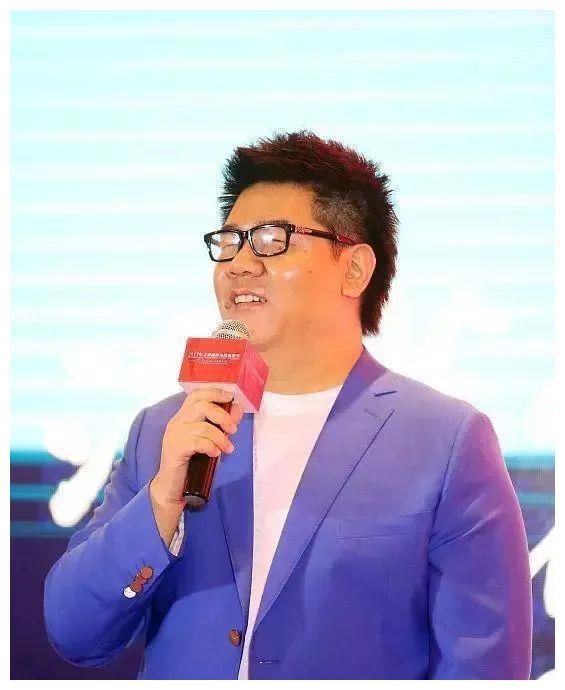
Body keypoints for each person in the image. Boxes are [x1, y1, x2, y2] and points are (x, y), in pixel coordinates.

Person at [43, 130, 532, 679]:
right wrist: (160, 502)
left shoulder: (445, 440)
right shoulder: (166, 429)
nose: (238, 264)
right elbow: (73, 631)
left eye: (271, 239)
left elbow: (484, 665)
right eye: (229, 242)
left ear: (354, 268)